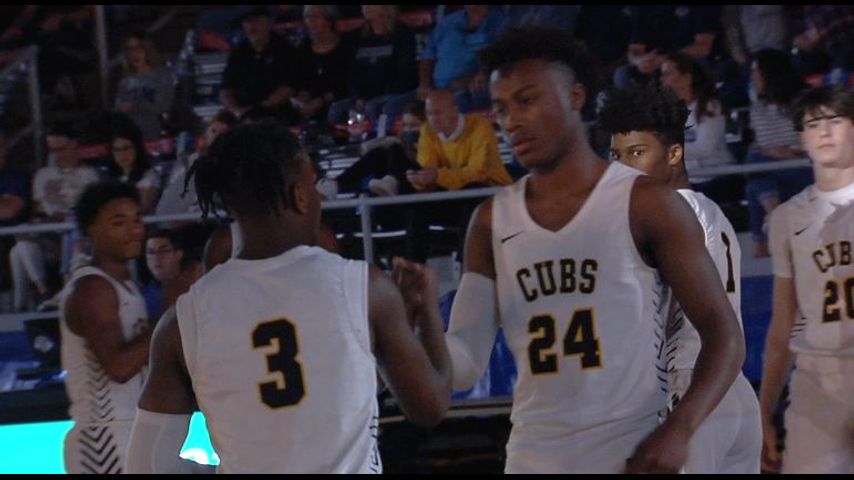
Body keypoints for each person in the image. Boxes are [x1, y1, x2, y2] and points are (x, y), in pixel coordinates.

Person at [446, 27, 745, 474]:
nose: (512, 121)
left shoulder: (647, 202)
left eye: (527, 100)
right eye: (502, 108)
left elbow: (725, 335)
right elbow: (464, 364)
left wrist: (680, 427)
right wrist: (416, 329)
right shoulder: (490, 220)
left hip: (629, 448)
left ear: (575, 96)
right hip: (532, 455)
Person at [125, 120, 451, 474]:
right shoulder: (364, 286)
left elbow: (147, 463)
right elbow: (430, 407)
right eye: (314, 186)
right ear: (299, 194)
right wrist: (428, 313)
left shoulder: (183, 320)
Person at [599, 83, 761, 473]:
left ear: (674, 153)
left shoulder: (665, 216)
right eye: (616, 156)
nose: (622, 168)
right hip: (732, 390)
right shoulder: (710, 209)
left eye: (637, 153)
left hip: (688, 386)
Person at [759, 86, 854, 474]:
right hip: (817, 375)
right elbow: (782, 323)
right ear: (801, 138)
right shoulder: (787, 218)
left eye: (835, 120)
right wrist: (764, 409)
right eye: (813, 124)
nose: (824, 131)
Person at [60, 181, 151, 474]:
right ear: (91, 229)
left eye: (137, 219)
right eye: (119, 222)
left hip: (124, 430)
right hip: (104, 436)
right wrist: (171, 316)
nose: (133, 230)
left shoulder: (123, 286)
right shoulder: (93, 288)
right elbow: (119, 367)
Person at [114, 32, 175, 139]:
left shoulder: (162, 74)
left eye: (138, 49)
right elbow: (118, 109)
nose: (134, 54)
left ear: (147, 50)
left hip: (157, 133)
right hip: (132, 135)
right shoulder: (125, 81)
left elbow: (164, 105)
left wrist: (135, 107)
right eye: (130, 50)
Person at [142, 228, 202, 319]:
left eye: (163, 251)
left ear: (178, 254)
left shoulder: (196, 281)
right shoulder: (146, 294)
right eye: (151, 252)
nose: (156, 257)